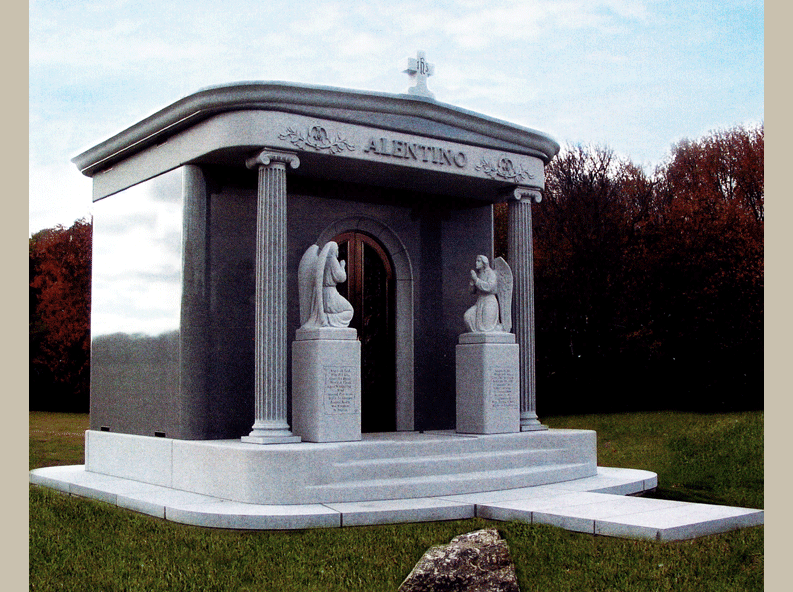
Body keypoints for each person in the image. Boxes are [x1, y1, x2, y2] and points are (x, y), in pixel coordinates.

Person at [464, 255, 501, 332]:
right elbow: (472, 291)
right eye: (476, 261)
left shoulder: (491, 273)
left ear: (484, 263)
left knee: (486, 328)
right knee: (468, 316)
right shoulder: (478, 274)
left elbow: (489, 287)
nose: (476, 263)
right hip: (480, 301)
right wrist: (472, 282)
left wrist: (476, 280)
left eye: (478, 261)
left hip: (489, 301)